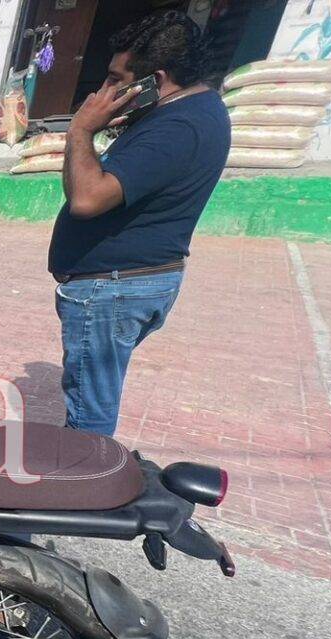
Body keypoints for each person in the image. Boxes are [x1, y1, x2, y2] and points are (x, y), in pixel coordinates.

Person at [48, 10, 229, 436]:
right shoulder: (180, 115)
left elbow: (87, 198)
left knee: (89, 411)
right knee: (87, 395)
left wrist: (80, 131)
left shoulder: (180, 126)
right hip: (119, 284)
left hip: (114, 289)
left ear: (156, 80)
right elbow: (82, 191)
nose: (104, 91)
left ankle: (84, 488)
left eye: (115, 79)